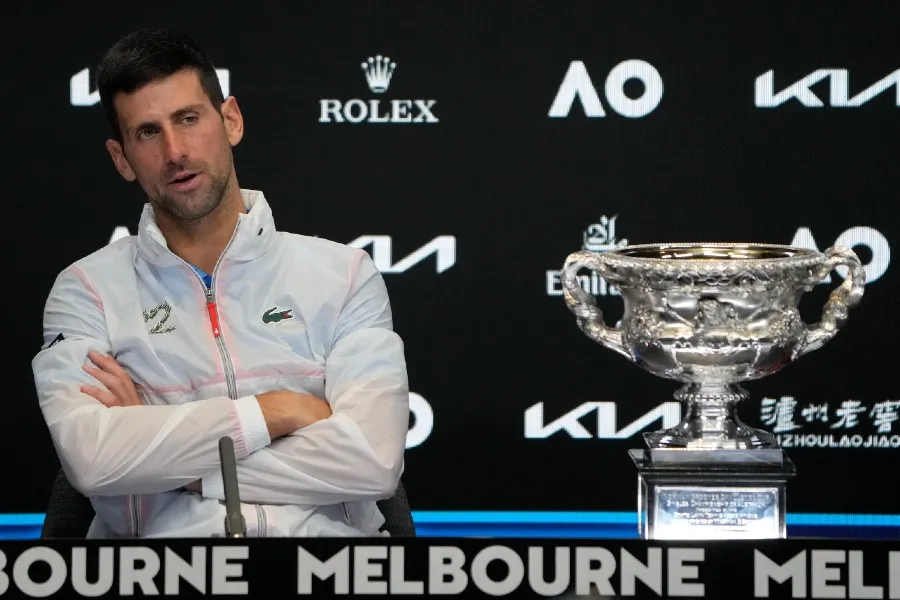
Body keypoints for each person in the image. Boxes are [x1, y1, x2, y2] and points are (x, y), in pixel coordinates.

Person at [30, 27, 410, 538]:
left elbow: (372, 463)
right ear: (121, 158)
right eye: (147, 132)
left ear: (230, 120)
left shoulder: (344, 274)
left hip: (331, 571)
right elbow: (94, 462)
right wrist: (278, 410)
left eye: (188, 119)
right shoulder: (85, 290)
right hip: (160, 576)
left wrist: (164, 461)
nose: (175, 150)